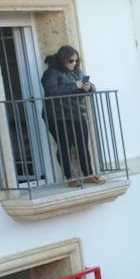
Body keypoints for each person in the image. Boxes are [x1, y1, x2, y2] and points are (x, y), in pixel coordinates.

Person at [41, 45, 101, 186]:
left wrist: (89, 87)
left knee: (82, 146)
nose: (74, 64)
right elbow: (52, 91)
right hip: (57, 116)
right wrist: (76, 85)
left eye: (76, 61)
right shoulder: (51, 73)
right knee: (64, 147)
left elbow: (90, 88)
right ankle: (70, 178)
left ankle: (89, 175)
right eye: (71, 61)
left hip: (77, 114)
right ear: (62, 60)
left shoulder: (77, 72)